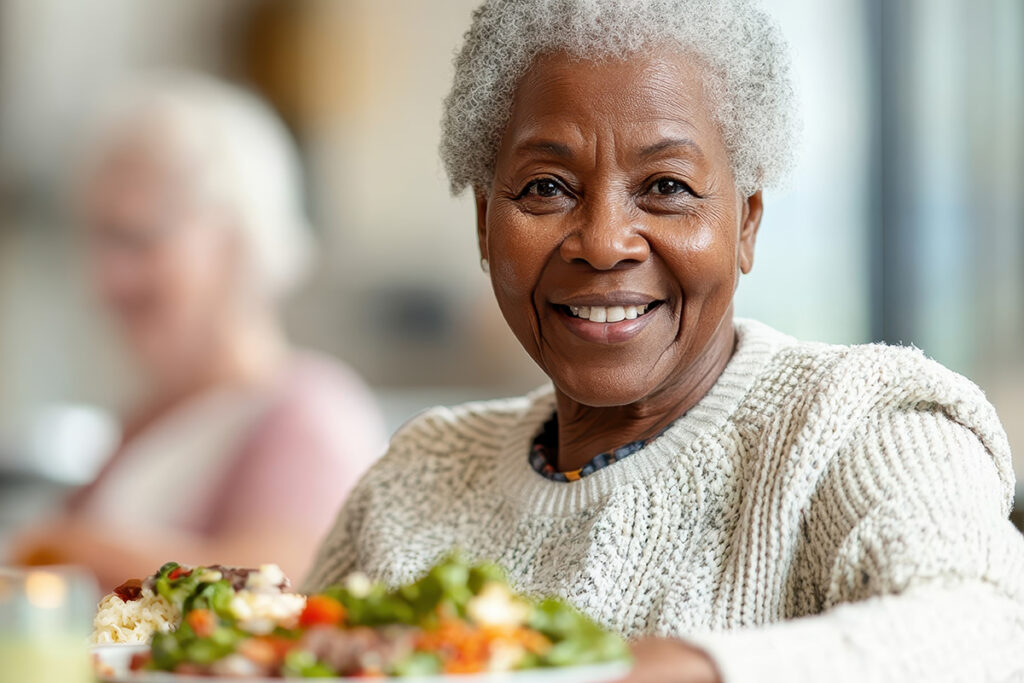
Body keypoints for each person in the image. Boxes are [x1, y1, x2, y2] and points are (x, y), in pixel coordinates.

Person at [303, 1, 1024, 681]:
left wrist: (676, 668)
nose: (605, 242)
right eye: (547, 187)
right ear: (485, 224)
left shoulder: (861, 423)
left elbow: (989, 629)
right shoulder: (416, 478)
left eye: (668, 187)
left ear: (746, 223)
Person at [12, 73, 385, 588]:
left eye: (137, 239)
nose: (104, 278)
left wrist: (62, 546)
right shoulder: (146, 418)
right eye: (96, 240)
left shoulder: (308, 410)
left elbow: (278, 588)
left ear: (237, 239)